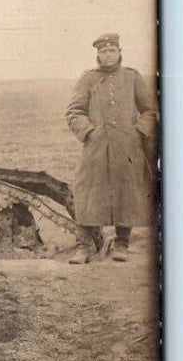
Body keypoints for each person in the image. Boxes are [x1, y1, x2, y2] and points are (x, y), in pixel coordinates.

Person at [65, 33, 157, 264]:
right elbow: (74, 112)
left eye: (112, 50)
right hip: (95, 149)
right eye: (104, 51)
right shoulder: (88, 80)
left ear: (119, 52)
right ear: (97, 54)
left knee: (126, 192)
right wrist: (89, 132)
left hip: (127, 150)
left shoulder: (132, 78)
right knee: (87, 193)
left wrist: (137, 132)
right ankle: (83, 247)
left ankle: (122, 245)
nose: (108, 54)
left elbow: (149, 110)